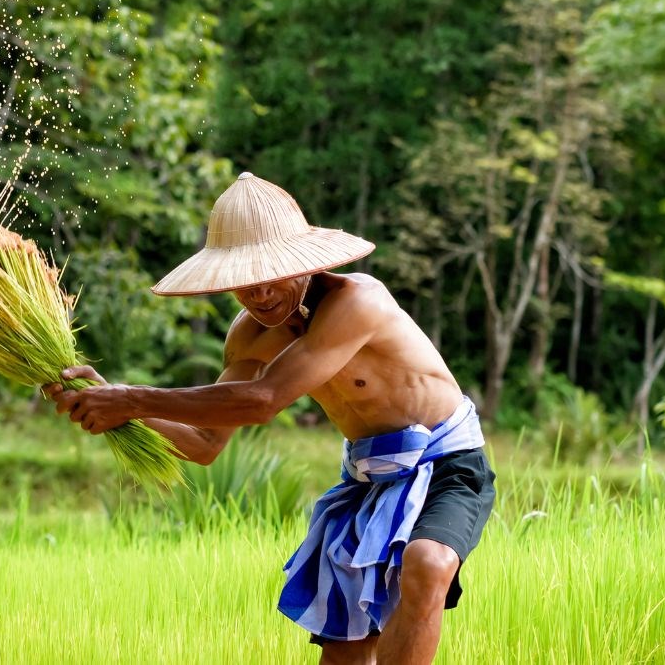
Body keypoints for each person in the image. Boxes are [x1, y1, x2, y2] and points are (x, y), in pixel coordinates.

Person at [44, 173, 495, 665]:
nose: (259, 294)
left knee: (427, 563)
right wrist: (107, 403)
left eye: (270, 275)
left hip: (447, 464)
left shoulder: (356, 301)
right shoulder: (250, 335)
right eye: (244, 281)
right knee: (345, 652)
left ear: (301, 263)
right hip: (369, 480)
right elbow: (205, 442)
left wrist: (132, 399)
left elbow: (264, 399)